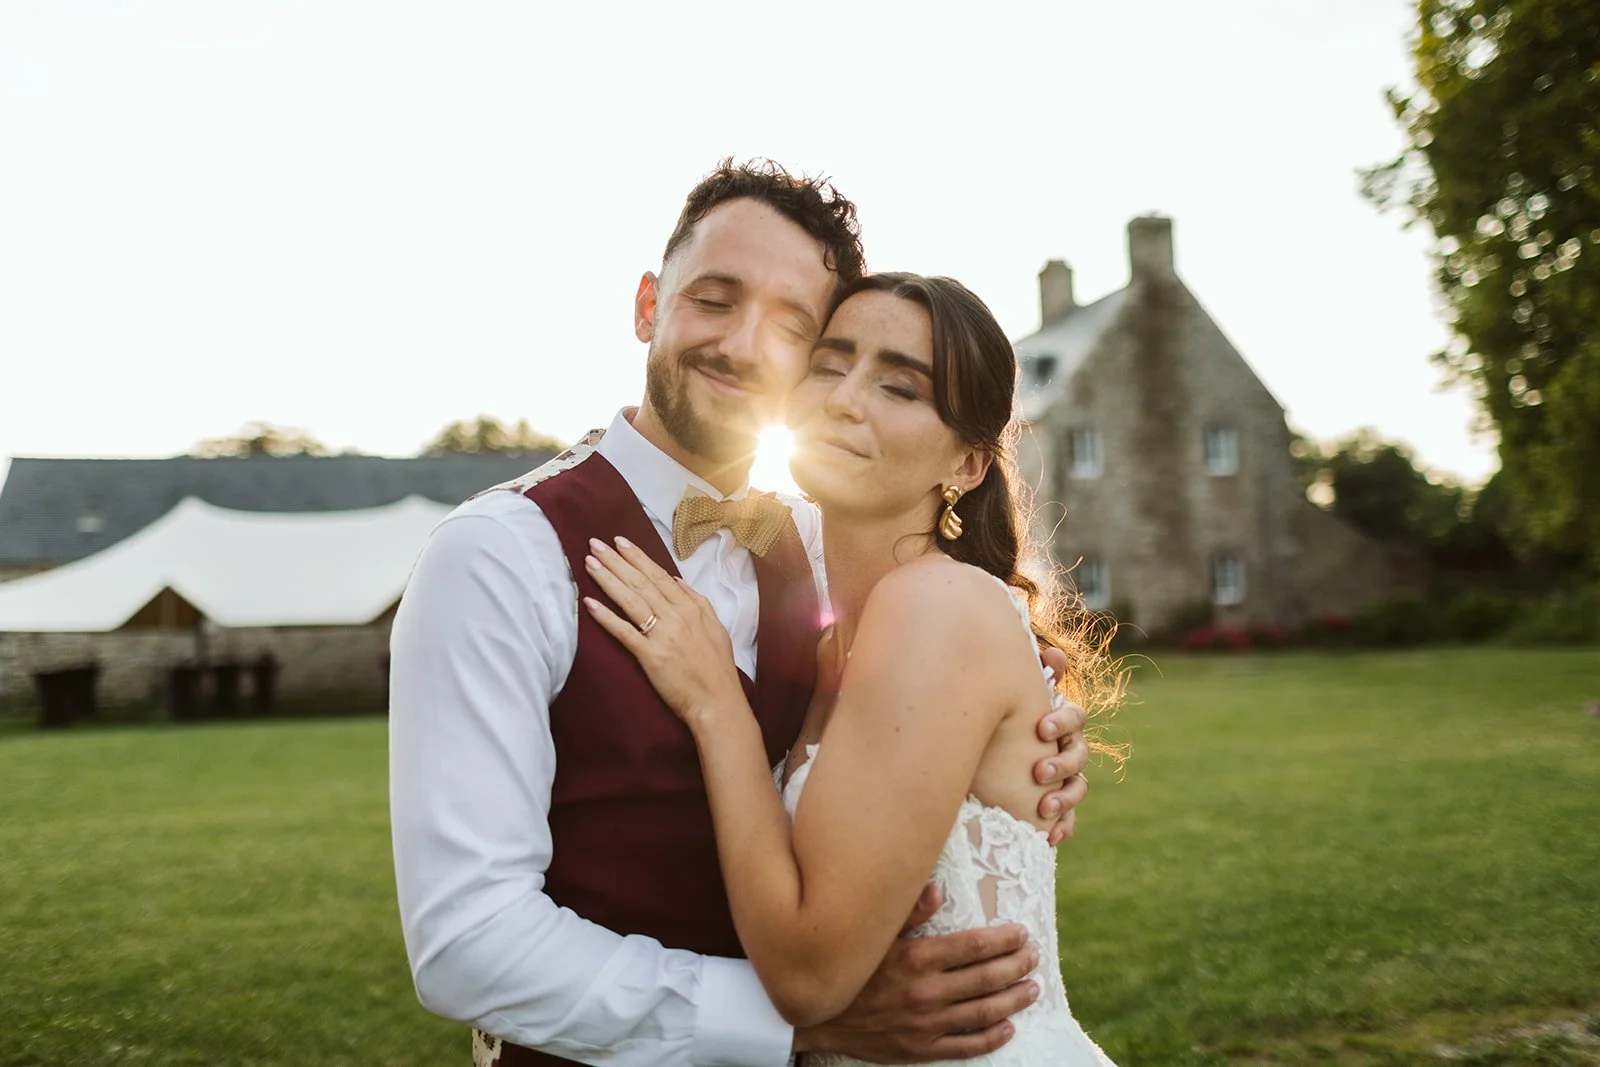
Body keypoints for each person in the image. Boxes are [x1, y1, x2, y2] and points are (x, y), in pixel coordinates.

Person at [389, 160, 1092, 1067]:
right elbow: (467, 944)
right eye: (714, 299)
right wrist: (785, 1025)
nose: (743, 344)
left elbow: (952, 682)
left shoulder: (825, 539)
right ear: (649, 305)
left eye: (795, 327)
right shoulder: (498, 554)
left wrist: (1035, 736)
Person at [581, 272, 1124, 1066]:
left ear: (968, 464)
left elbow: (808, 979)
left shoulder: (935, 603)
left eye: (898, 387)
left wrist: (716, 703)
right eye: (829, 365)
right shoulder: (829, 627)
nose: (842, 398)